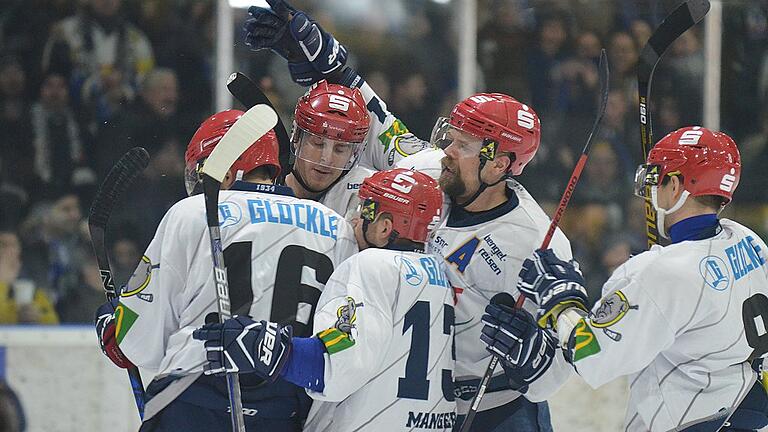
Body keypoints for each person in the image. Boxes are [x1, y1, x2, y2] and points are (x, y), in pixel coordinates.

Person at [243, 4, 575, 431]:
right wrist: (328, 62)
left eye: (462, 145)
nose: (447, 152)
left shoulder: (538, 242)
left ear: (498, 165)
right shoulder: (431, 170)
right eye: (449, 138)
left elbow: (567, 357)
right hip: (427, 407)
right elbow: (381, 125)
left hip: (501, 410)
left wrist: (537, 358)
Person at [488, 126, 768, 431]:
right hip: (749, 412)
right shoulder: (747, 241)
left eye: (656, 180)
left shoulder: (660, 274)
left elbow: (591, 356)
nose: (649, 192)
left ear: (675, 187)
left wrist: (562, 302)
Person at [94, 109, 358, 431]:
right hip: (284, 411)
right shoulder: (338, 229)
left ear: (228, 172)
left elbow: (140, 343)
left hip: (194, 401)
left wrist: (115, 329)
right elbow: (338, 343)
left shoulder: (191, 213)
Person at [194, 168, 456, 431]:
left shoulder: (370, 265)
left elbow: (334, 365)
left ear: (385, 227)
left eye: (364, 210)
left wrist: (261, 345)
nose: (353, 220)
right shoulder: (438, 274)